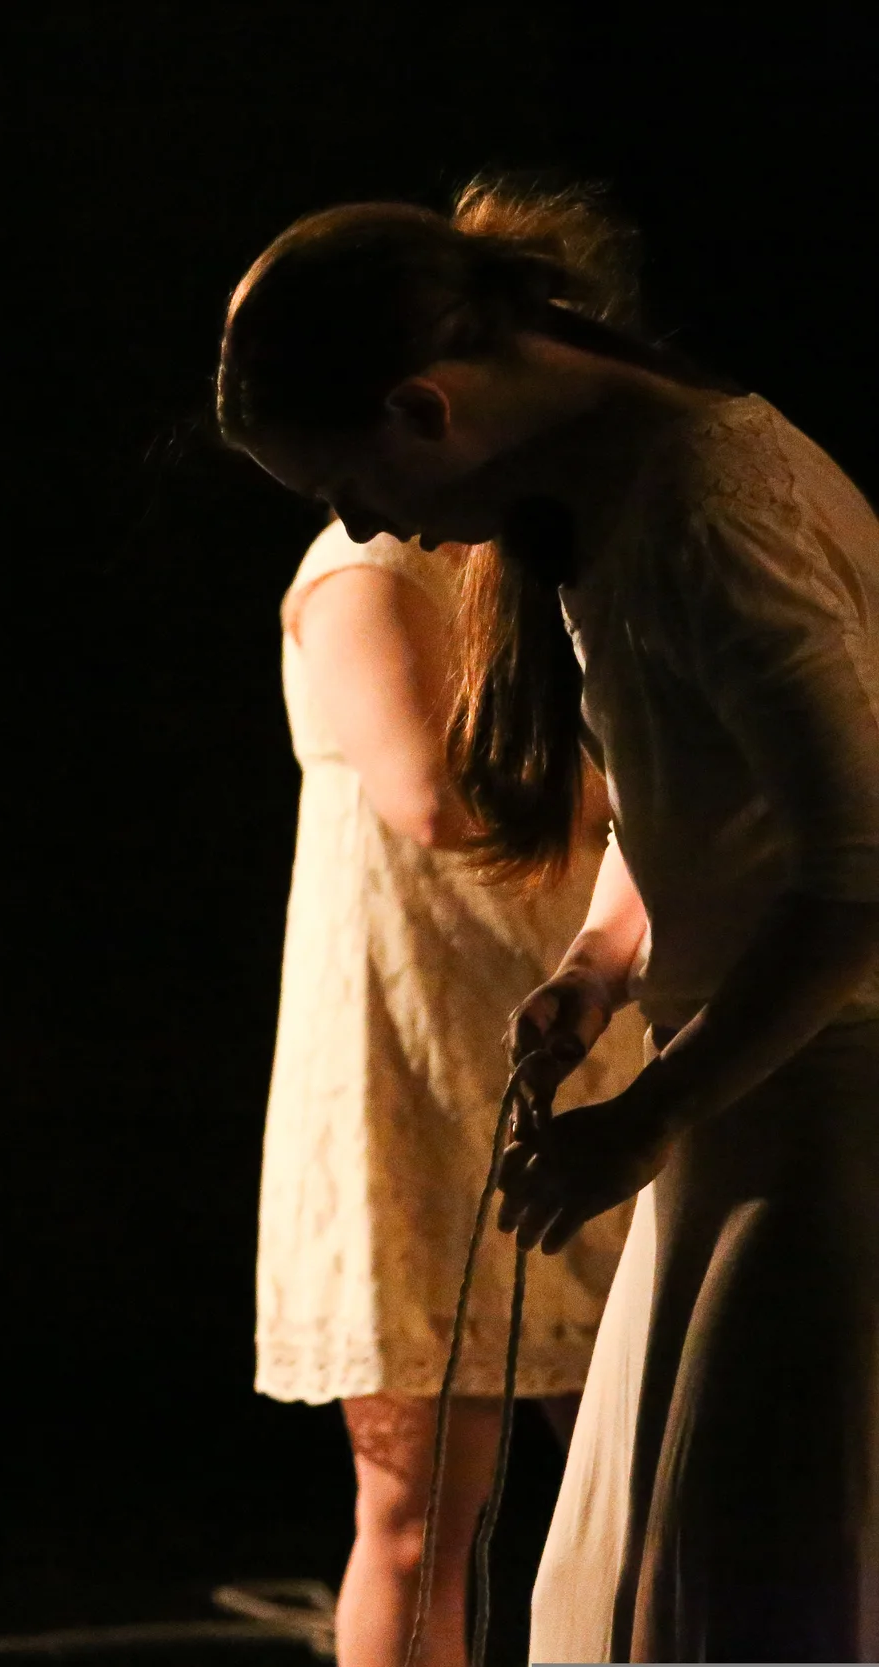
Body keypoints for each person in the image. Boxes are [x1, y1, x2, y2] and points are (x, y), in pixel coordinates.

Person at [217, 188, 879, 1662]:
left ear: (425, 408)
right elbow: (684, 797)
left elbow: (856, 873)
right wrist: (598, 960)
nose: (366, 526)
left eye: (355, 482)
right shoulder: (615, 504)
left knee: (768, 1583)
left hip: (822, 1111)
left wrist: (649, 1112)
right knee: (649, 1577)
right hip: (739, 1107)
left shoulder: (711, 508)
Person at [255, 179, 647, 1667]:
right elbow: (432, 797)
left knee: (642, 1477)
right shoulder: (371, 567)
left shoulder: (537, 545)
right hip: (413, 1084)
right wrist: (672, 782)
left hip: (566, 1035)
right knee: (419, 1506)